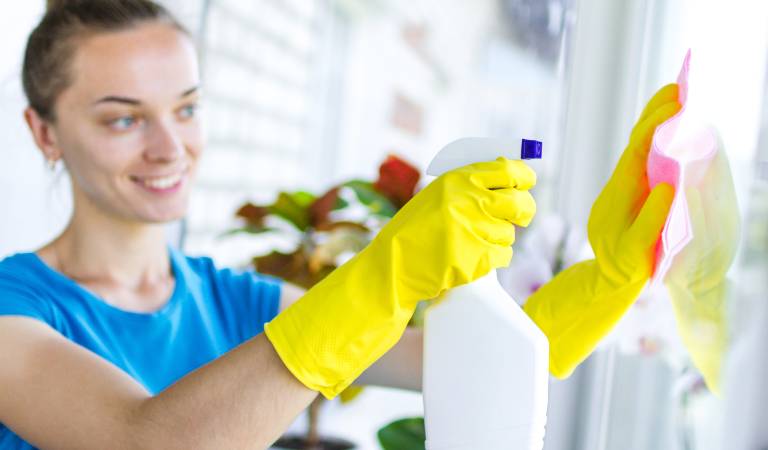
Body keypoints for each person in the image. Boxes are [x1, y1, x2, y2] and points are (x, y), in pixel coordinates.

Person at [0, 1, 679, 449]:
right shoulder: (14, 315)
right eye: (123, 118)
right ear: (44, 131)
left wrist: (611, 276)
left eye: (186, 108)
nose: (169, 147)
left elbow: (463, 360)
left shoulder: (236, 301)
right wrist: (386, 273)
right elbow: (148, 442)